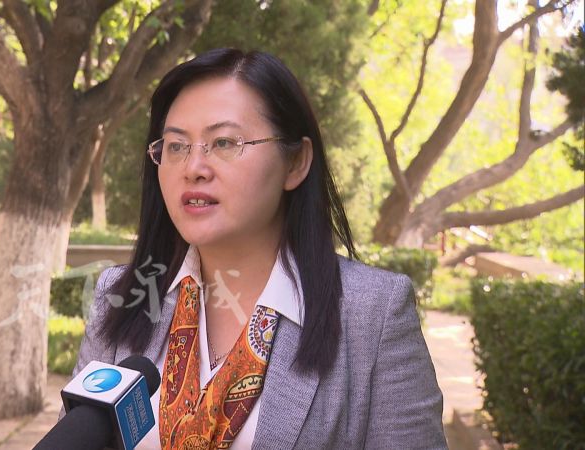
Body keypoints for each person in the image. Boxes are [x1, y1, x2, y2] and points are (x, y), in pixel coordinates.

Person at [60, 48, 447, 449]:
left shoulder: (373, 314)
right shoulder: (121, 297)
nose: (193, 168)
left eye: (224, 142)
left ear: (296, 162)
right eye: (176, 146)